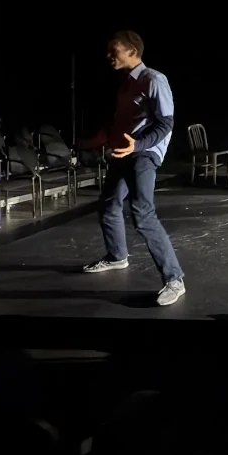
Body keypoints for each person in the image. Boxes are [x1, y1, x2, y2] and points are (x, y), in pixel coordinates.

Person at [80, 31, 185, 307]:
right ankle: (117, 257)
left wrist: (138, 146)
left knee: (142, 212)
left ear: (132, 51)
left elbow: (165, 124)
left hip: (144, 154)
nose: (109, 56)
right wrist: (105, 138)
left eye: (114, 50)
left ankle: (175, 279)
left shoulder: (154, 79)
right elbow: (125, 122)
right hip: (125, 153)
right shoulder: (126, 85)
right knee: (109, 204)